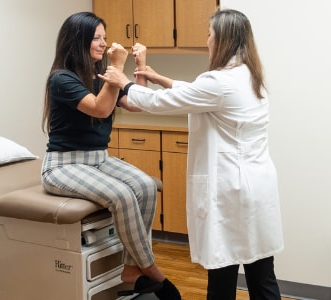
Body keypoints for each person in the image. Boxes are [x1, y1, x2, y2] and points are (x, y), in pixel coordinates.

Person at [99, 9, 285, 300]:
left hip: (230, 190)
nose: (207, 41)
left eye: (210, 35)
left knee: (222, 274)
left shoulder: (219, 81)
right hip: (255, 187)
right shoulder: (249, 75)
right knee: (261, 275)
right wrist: (158, 77)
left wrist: (125, 83)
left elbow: (165, 103)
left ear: (222, 40)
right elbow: (199, 94)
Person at [40, 11, 180, 299]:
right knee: (122, 195)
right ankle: (151, 268)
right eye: (96, 38)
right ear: (77, 41)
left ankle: (130, 269)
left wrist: (138, 69)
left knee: (146, 186)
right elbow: (100, 108)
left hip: (98, 160)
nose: (103, 43)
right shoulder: (62, 79)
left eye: (104, 37)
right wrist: (117, 69)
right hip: (63, 165)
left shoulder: (103, 75)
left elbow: (135, 104)